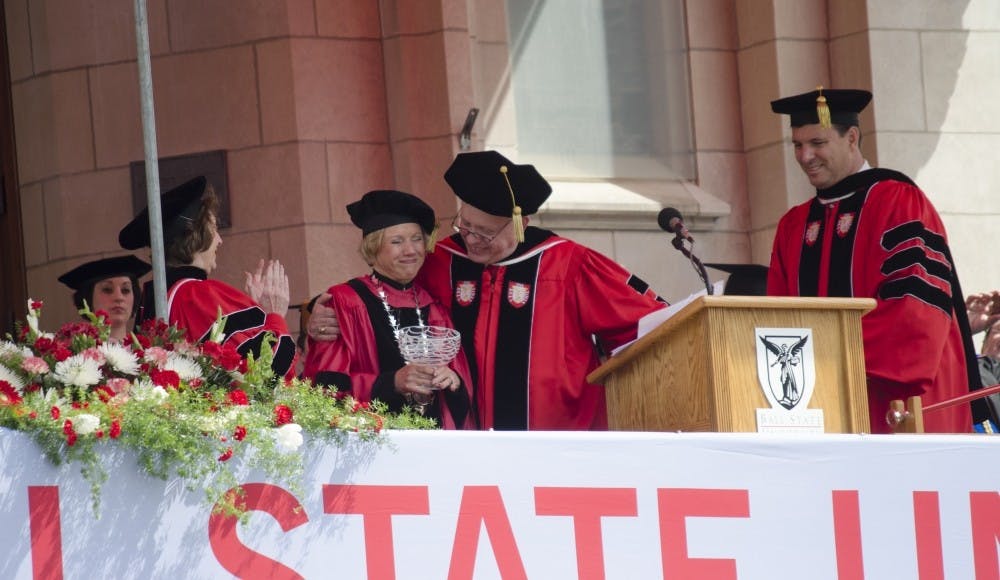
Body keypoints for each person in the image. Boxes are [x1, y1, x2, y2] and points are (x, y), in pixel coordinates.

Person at [310, 151, 667, 430]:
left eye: (485, 233)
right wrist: (318, 313)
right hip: (466, 435)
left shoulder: (568, 264)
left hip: (556, 431)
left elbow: (646, 321)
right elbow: (384, 291)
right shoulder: (443, 260)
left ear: (520, 224)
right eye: (465, 226)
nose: (472, 240)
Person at [767, 87, 984, 433]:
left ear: (852, 138)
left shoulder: (899, 203)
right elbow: (776, 319)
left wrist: (817, 354)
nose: (805, 156)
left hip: (899, 404)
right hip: (817, 410)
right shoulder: (793, 227)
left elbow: (914, 315)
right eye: (797, 145)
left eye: (817, 143)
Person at [302, 190, 473, 428]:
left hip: (433, 439)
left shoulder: (434, 308)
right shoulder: (345, 302)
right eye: (396, 241)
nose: (410, 250)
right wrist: (391, 383)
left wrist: (453, 380)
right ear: (373, 249)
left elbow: (462, 390)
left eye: (417, 239)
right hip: (371, 438)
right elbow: (326, 387)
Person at [118, 176, 297, 377]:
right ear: (195, 233)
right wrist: (274, 315)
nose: (219, 240)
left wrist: (256, 313)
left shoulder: (153, 298)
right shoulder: (198, 295)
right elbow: (267, 373)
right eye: (214, 229)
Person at [57, 255, 151, 342]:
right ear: (87, 298)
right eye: (107, 289)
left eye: (125, 290)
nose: (119, 297)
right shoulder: (75, 354)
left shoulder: (150, 353)